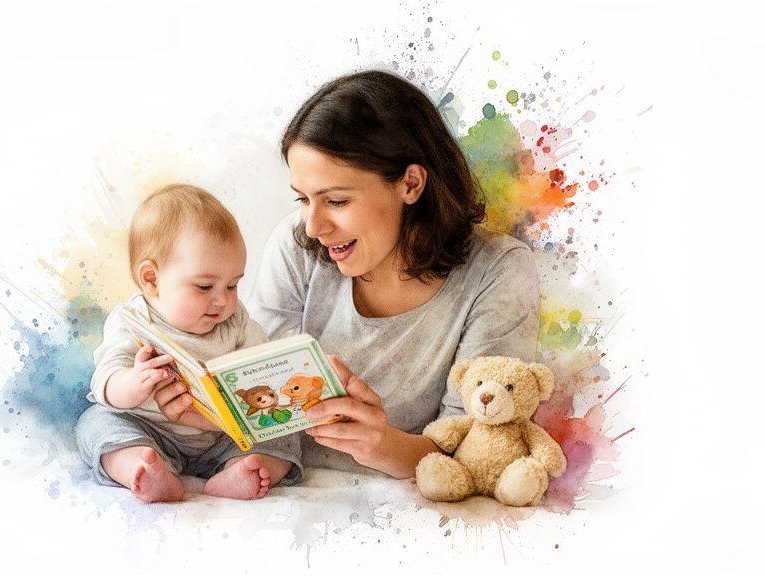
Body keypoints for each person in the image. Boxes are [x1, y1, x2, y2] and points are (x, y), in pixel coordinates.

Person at [246, 70, 540, 478]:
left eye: (336, 200)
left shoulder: (499, 271)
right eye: (303, 199)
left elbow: (483, 449)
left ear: (411, 184)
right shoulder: (297, 245)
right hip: (279, 487)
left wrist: (382, 445)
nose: (313, 226)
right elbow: (259, 401)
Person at [75, 184, 300, 502]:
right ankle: (144, 470)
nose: (222, 300)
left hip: (224, 436)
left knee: (284, 430)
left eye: (233, 285)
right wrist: (135, 382)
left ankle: (240, 470)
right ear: (152, 280)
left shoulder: (236, 322)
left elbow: (263, 371)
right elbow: (106, 381)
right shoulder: (133, 320)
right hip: (150, 431)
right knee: (96, 424)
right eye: (205, 286)